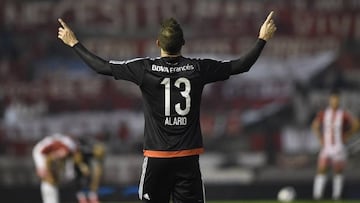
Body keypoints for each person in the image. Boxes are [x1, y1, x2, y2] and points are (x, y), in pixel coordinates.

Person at [58, 12, 276, 203]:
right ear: (183, 43)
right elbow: (242, 65)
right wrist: (262, 39)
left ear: (157, 43)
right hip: (187, 159)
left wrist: (73, 43)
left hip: (157, 158)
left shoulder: (143, 69)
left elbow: (101, 67)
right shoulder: (198, 68)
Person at [311, 89, 359, 200]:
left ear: (339, 100)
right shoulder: (324, 113)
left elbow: (356, 124)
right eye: (333, 99)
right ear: (330, 100)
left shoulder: (343, 114)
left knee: (338, 171)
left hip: (339, 146)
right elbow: (314, 125)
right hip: (326, 146)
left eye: (336, 99)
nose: (335, 102)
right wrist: (320, 138)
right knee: (321, 169)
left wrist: (348, 135)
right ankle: (317, 196)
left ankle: (336, 196)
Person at [32, 133, 77, 203]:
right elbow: (38, 151)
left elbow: (69, 161)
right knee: (48, 181)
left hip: (52, 158)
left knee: (54, 181)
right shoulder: (50, 145)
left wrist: (69, 173)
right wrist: (40, 166)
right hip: (44, 157)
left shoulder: (69, 149)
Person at [73, 137, 105, 203]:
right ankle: (83, 199)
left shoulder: (84, 150)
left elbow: (95, 155)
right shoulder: (78, 151)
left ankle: (91, 198)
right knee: (80, 185)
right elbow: (77, 161)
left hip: (87, 170)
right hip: (80, 170)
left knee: (90, 185)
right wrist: (82, 167)